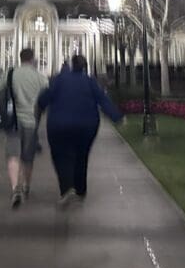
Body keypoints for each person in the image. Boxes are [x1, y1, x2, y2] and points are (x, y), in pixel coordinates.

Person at [37, 54, 123, 207]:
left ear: (71, 65)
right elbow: (102, 99)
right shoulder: (90, 82)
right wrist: (116, 117)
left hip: (59, 125)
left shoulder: (59, 80)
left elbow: (45, 97)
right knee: (81, 157)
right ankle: (80, 190)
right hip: (86, 126)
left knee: (61, 156)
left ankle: (67, 188)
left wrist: (40, 107)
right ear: (85, 66)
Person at [0, 48, 48, 208]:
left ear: (20, 58)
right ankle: (26, 185)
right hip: (31, 122)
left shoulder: (10, 74)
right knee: (28, 157)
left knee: (12, 155)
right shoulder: (40, 77)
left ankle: (14, 188)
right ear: (33, 59)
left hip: (13, 121)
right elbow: (46, 97)